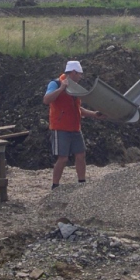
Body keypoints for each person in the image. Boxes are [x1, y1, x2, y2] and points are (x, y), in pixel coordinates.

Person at [43, 60, 104, 189]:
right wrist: (61, 89)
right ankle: (55, 185)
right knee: (63, 158)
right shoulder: (55, 83)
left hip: (75, 127)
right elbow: (46, 100)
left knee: (81, 155)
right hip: (60, 128)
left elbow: (78, 109)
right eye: (79, 74)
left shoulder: (75, 88)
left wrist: (94, 114)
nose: (81, 77)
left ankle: (82, 183)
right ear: (73, 73)